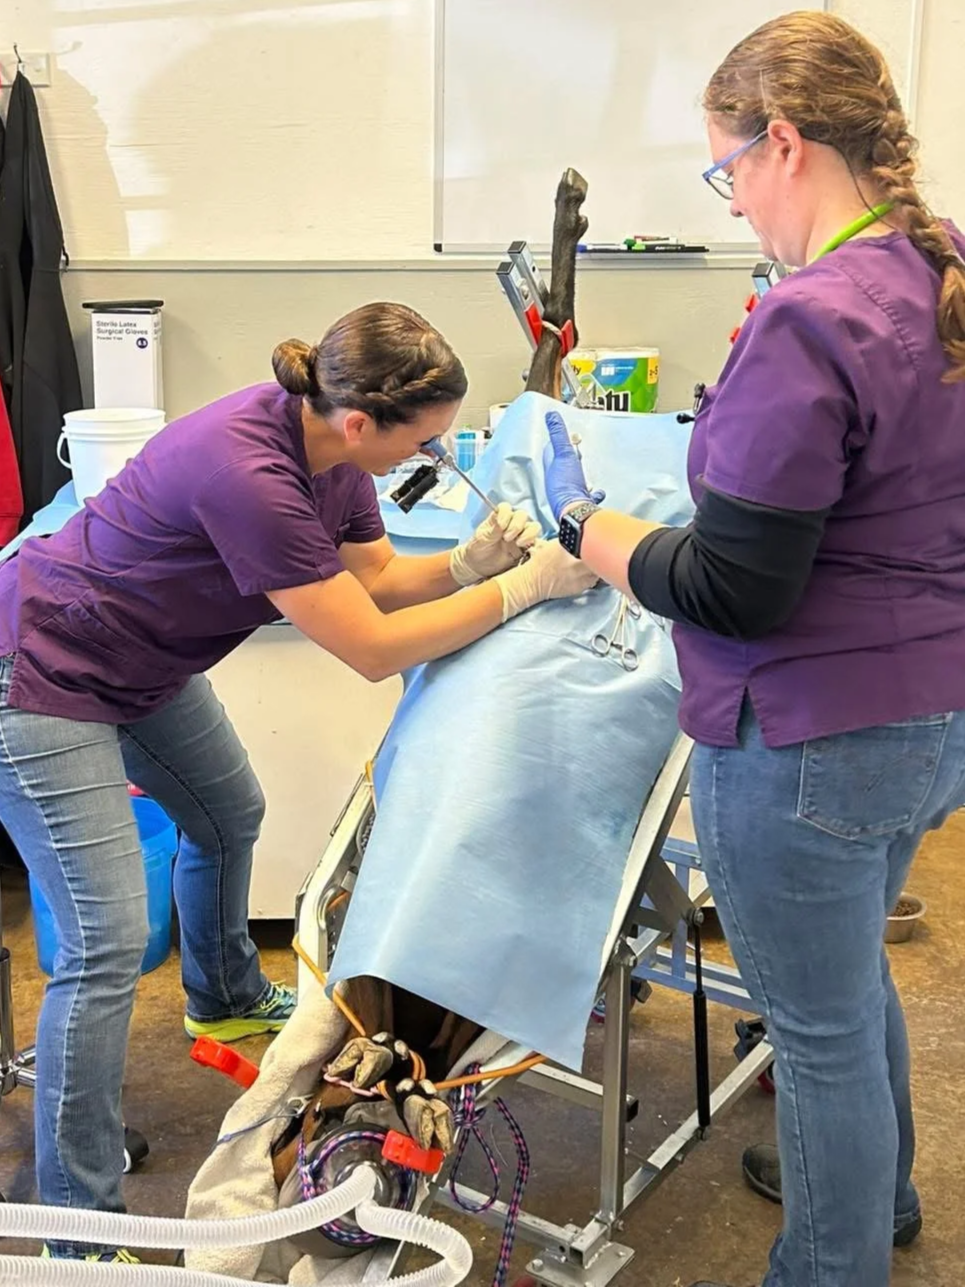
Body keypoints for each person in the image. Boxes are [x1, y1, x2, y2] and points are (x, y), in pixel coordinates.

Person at [0, 300, 596, 1262]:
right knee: (103, 945)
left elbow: (376, 580)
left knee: (227, 813)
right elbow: (370, 646)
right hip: (39, 668)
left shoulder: (337, 451)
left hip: (141, 663)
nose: (432, 456)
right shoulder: (252, 473)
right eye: (424, 440)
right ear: (360, 421)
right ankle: (77, 1230)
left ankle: (223, 993)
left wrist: (464, 563)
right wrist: (518, 586)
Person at [542, 13, 965, 1287]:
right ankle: (877, 1197)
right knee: (843, 987)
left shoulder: (808, 320)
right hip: (926, 714)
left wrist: (589, 530)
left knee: (815, 1032)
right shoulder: (936, 266)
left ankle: (830, 1264)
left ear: (782, 143)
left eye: (726, 171)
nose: (730, 202)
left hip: (806, 738)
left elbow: (732, 589)